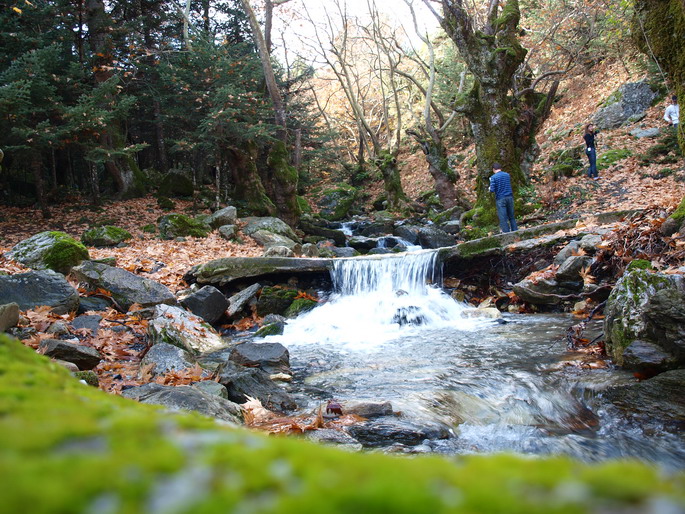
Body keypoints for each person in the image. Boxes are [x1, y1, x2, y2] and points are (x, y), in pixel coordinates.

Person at [489, 162, 517, 233]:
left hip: (500, 198)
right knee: (511, 217)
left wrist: (489, 187)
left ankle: (507, 234)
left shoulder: (493, 177)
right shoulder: (507, 175)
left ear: (493, 169)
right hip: (510, 197)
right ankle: (516, 232)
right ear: (500, 168)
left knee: (503, 218)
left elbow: (492, 190)